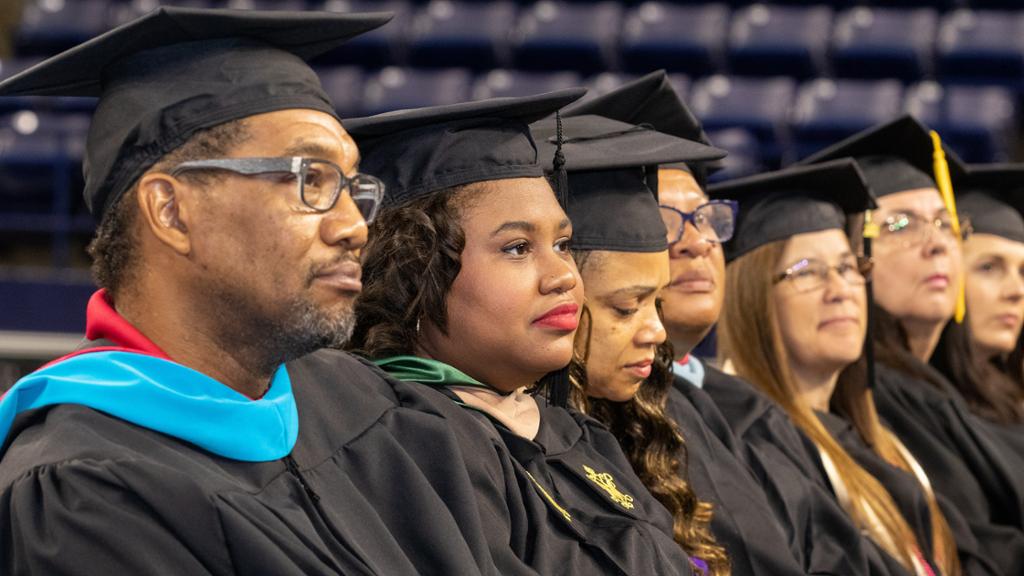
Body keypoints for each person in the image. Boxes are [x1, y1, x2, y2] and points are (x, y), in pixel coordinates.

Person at [0, 8, 529, 575]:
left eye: (353, 187)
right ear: (172, 211)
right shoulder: (84, 493)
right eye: (311, 179)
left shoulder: (370, 404)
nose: (354, 224)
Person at [345, 94, 703, 575]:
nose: (564, 277)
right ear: (413, 271)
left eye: (562, 244)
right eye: (517, 248)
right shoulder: (405, 446)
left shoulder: (575, 433)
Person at [568, 71, 904, 576]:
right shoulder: (578, 429)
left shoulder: (736, 408)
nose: (696, 241)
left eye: (706, 218)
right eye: (661, 224)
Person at [714, 161, 974, 576]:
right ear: (754, 298)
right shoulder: (753, 450)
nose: (840, 291)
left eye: (848, 268)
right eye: (808, 272)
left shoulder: (879, 440)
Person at [798, 116, 1024, 574]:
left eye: (945, 223)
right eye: (900, 225)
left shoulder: (937, 389)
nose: (937, 244)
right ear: (852, 256)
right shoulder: (872, 396)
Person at [528, 109, 732, 575]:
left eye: (656, 303)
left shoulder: (646, 425)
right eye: (626, 307)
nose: (657, 332)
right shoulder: (517, 451)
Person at [932, 164, 1024, 432]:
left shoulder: (1011, 400)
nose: (1017, 291)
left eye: (1023, 272)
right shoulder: (926, 409)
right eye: (989, 267)